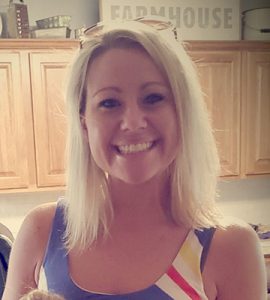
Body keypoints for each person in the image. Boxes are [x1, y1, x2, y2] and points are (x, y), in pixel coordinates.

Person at [3, 18, 267, 300]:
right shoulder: (42, 231)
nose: (132, 122)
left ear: (182, 113)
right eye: (109, 103)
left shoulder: (230, 247)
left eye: (153, 98)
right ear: (84, 124)